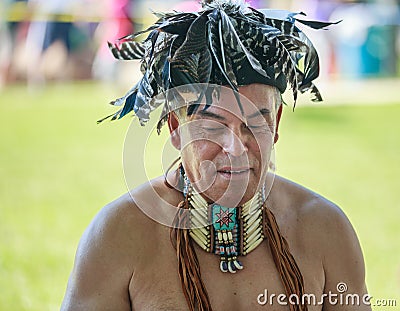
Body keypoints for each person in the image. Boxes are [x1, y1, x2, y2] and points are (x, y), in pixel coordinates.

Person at [61, 1, 371, 310]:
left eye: (254, 123)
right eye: (212, 125)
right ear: (176, 128)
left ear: (275, 123)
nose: (236, 149)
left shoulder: (325, 230)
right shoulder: (118, 236)